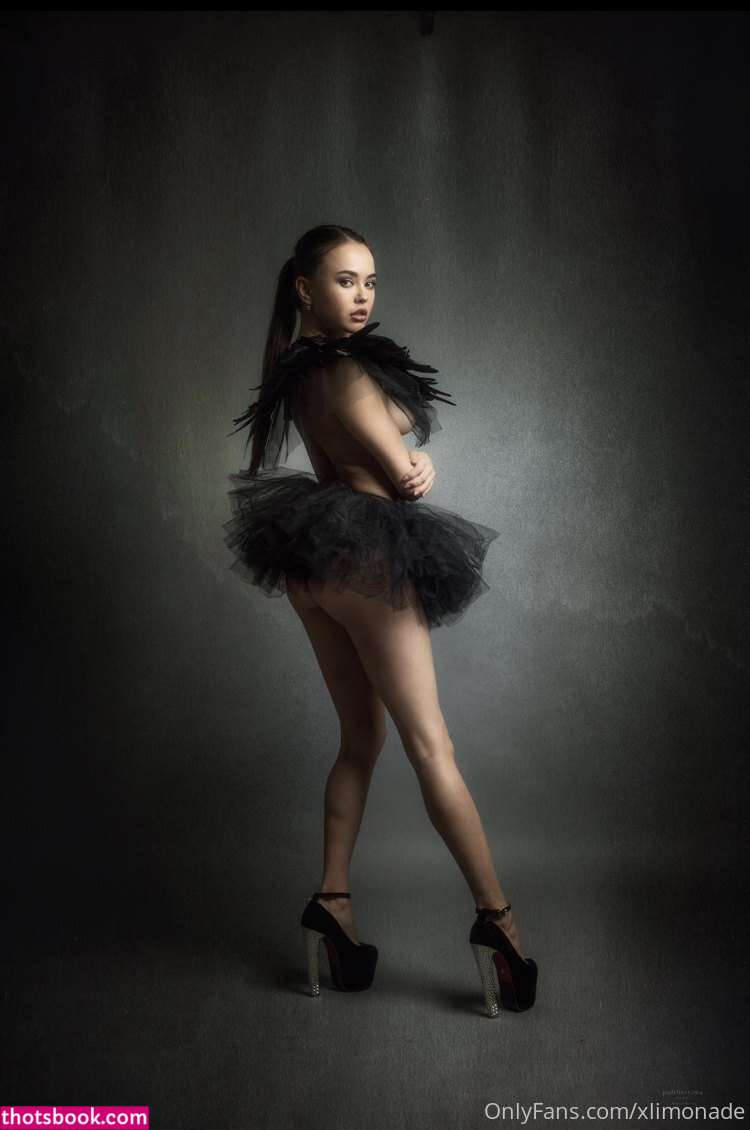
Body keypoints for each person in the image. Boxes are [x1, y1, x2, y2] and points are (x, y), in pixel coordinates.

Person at [223, 224, 538, 1015]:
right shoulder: (348, 371)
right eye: (345, 280)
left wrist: (404, 462)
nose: (363, 296)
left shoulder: (300, 372)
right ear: (305, 288)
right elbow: (402, 479)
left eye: (370, 281)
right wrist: (417, 465)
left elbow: (353, 447)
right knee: (432, 747)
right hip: (366, 561)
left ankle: (331, 902)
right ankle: (498, 921)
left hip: (316, 564)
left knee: (361, 740)